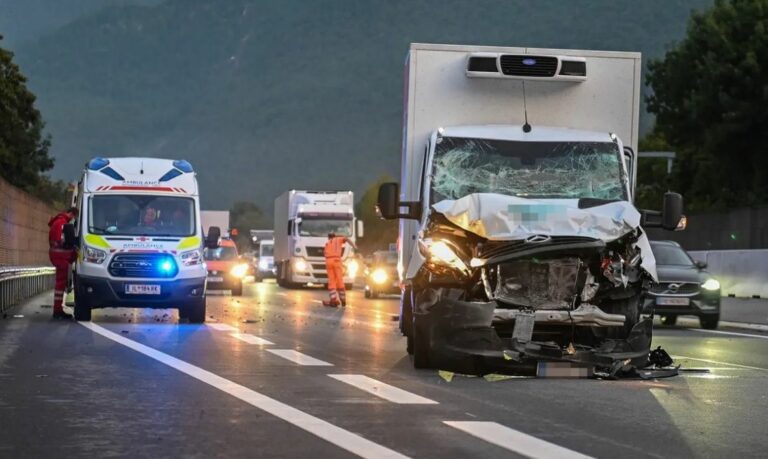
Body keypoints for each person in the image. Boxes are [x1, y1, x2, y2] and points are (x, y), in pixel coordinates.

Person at [48, 207, 78, 320]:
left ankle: (58, 309)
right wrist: (71, 249)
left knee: (60, 284)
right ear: (71, 214)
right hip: (60, 257)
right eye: (73, 217)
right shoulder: (61, 223)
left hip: (59, 256)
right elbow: (61, 241)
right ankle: (57, 310)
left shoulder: (59, 222)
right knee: (60, 284)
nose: (72, 219)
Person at [322, 231, 357, 307]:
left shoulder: (327, 243)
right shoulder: (338, 239)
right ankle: (343, 300)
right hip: (336, 261)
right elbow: (347, 239)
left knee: (331, 281)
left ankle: (333, 300)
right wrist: (354, 247)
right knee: (339, 280)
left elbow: (324, 254)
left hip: (328, 261)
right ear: (335, 236)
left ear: (328, 237)